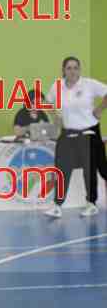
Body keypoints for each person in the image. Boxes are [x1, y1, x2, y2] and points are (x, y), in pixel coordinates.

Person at [44, 56, 107, 218]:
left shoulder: (89, 84)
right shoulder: (57, 86)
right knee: (61, 169)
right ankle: (57, 206)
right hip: (67, 132)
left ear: (79, 70)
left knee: (89, 170)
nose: (72, 71)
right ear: (63, 70)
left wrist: (100, 109)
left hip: (88, 132)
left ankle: (91, 204)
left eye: (75, 68)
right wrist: (55, 117)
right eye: (69, 68)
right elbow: (47, 101)